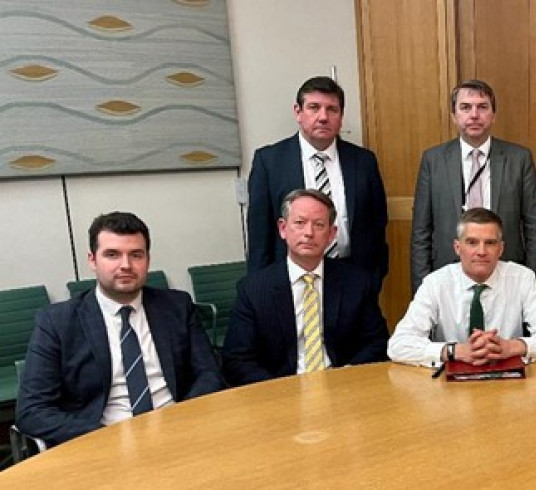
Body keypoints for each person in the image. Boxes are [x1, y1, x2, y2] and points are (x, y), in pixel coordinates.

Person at [16, 212, 225, 447]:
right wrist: (109, 437)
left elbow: (209, 374)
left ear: (148, 259)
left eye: (136, 255)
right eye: (112, 255)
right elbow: (32, 411)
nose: (126, 265)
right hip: (104, 441)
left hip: (179, 433)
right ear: (92, 260)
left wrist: (181, 420)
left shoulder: (177, 306)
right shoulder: (57, 322)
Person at [223, 189, 389, 387]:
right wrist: (281, 391)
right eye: (300, 223)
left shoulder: (356, 282)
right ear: (283, 229)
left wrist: (346, 376)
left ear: (331, 234)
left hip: (343, 388)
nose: (309, 233)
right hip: (280, 392)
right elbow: (237, 360)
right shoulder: (253, 290)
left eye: (319, 225)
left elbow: (377, 342)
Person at [246, 76, 388, 289]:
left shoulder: (364, 161)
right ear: (298, 112)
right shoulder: (269, 162)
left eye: (332, 109)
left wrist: (373, 278)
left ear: (341, 116)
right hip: (291, 280)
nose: (323, 117)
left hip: (353, 278)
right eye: (314, 107)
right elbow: (259, 236)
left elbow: (377, 225)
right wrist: (261, 288)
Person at [410, 79, 536, 295]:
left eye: (482, 107)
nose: (474, 115)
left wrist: (534, 287)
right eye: (465, 107)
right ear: (454, 115)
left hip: (507, 276)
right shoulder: (433, 160)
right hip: (448, 277)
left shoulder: (519, 159)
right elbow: (421, 231)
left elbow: (534, 228)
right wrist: (422, 289)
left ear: (493, 115)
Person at [389, 208, 536, 368]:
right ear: (457, 248)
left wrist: (510, 347)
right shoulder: (435, 283)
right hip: (450, 391)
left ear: (501, 248)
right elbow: (398, 345)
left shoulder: (523, 279)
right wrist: (455, 351)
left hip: (510, 386)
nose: (481, 251)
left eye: (490, 243)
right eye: (472, 242)